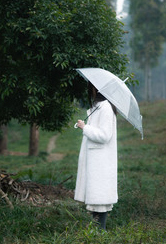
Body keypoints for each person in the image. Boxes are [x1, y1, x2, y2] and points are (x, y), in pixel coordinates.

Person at [74, 82, 118, 230]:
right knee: (96, 197)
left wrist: (85, 127)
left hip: (101, 161)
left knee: (100, 196)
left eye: (91, 88)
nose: (89, 91)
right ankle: (97, 231)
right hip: (96, 159)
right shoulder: (99, 108)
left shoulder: (105, 108)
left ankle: (101, 231)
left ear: (96, 89)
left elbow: (105, 135)